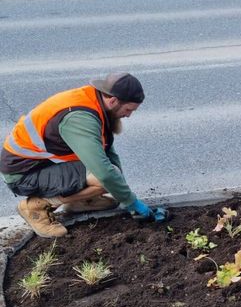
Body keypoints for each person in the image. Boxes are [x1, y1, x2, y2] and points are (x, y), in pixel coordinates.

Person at [1, 73, 166, 238]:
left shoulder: (95, 102)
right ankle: (37, 206)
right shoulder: (81, 118)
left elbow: (107, 152)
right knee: (103, 178)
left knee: (111, 178)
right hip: (23, 174)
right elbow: (105, 172)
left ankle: (79, 200)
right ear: (113, 100)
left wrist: (123, 193)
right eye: (128, 109)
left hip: (42, 164)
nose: (129, 115)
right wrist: (131, 202)